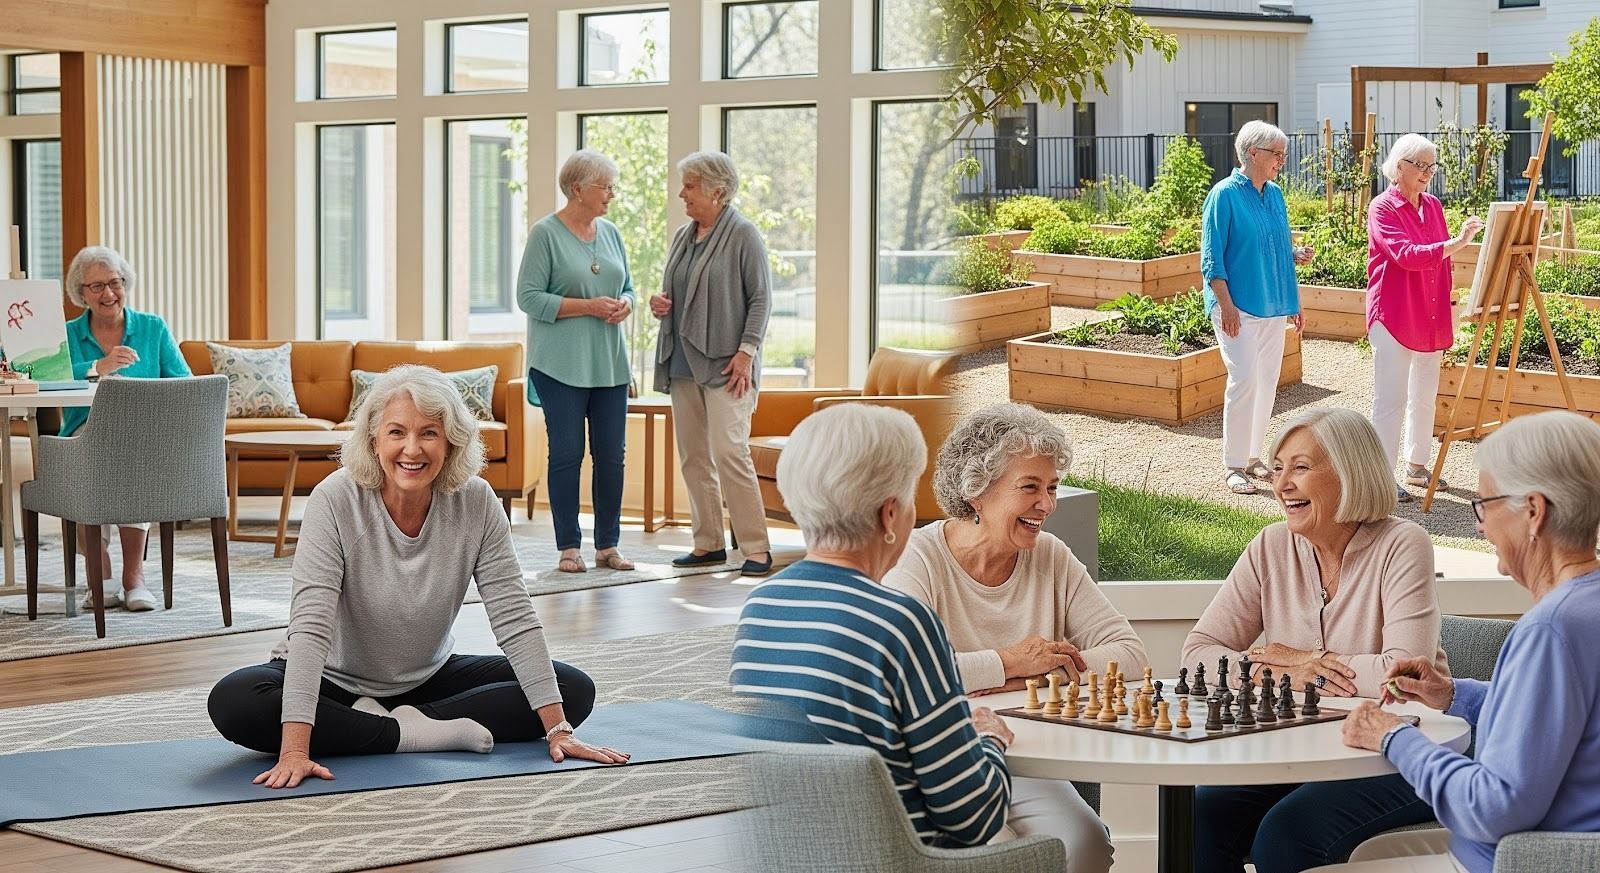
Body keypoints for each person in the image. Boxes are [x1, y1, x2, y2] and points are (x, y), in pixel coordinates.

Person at [208, 365, 627, 788]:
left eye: (429, 433)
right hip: (332, 680)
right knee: (236, 702)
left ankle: (391, 724)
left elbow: (514, 617)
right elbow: (311, 627)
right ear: (374, 440)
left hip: (428, 679)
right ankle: (411, 734)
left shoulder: (477, 501)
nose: (413, 449)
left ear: (451, 441)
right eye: (397, 433)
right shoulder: (335, 499)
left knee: (573, 690)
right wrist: (295, 750)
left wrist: (559, 729)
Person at [732, 404, 1038, 854]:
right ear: (890, 516)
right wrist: (989, 737)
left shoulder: (760, 606)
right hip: (902, 861)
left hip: (791, 854)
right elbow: (974, 819)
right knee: (1071, 842)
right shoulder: (902, 624)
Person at [1320, 411, 1600, 873]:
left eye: (1485, 505)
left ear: (1534, 511)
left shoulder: (1551, 630)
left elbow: (1492, 807)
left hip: (1512, 862)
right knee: (1366, 854)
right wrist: (1454, 695)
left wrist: (1393, 737)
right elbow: (1559, 722)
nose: (1479, 526)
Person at [1183, 407, 1449, 873]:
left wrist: (1305, 660)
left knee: (1286, 837)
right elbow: (1199, 653)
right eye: (1278, 467)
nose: (1281, 482)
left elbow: (1404, 671)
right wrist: (1284, 667)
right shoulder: (1269, 546)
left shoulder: (1403, 543)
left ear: (1351, 473)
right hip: (1300, 752)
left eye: (1300, 468)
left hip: (1398, 753)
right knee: (1198, 821)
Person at [880, 402, 1138, 871]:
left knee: (1083, 843)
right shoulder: (917, 559)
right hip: (940, 760)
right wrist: (1009, 662)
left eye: (1052, 487)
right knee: (996, 854)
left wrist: (1031, 683)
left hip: (1029, 756)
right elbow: (902, 675)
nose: (1047, 504)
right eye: (1030, 487)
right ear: (977, 492)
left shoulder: (1051, 557)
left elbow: (1129, 654)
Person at [649, 151, 773, 577]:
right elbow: (679, 293)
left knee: (729, 452)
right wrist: (662, 303)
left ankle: (756, 547)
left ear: (717, 192)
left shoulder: (743, 235)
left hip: (727, 366)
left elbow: (761, 299)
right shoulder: (685, 236)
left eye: (690, 185)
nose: (682, 193)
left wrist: (746, 352)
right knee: (693, 457)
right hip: (682, 362)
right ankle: (708, 543)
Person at [517, 149, 636, 574]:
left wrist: (625, 303)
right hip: (560, 365)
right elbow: (528, 298)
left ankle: (608, 546)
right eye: (606, 186)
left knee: (612, 456)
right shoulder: (545, 234)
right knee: (567, 453)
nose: (612, 194)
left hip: (609, 365)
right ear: (577, 189)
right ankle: (569, 546)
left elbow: (630, 287)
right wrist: (587, 306)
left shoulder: (612, 233)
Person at [60, 245, 192, 613]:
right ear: (80, 293)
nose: (108, 293)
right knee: (88, 461)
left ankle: (133, 576)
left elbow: (184, 381)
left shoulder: (152, 328)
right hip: (83, 431)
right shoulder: (66, 335)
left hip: (141, 433)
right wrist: (96, 367)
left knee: (129, 455)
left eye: (115, 283)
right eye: (97, 286)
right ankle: (99, 572)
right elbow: (46, 375)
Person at [1366, 134, 1484, 502]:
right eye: (1420, 165)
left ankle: (1416, 465)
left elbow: (1438, 262)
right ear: (1398, 166)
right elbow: (1406, 254)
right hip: (1394, 312)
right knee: (1391, 399)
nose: (1427, 173)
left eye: (1432, 166)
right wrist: (1456, 243)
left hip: (1429, 312)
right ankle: (1381, 478)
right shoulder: (1382, 207)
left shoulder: (1432, 205)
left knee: (1425, 396)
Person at [1201, 120, 1315, 496]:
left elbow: (1278, 246)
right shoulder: (1224, 195)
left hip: (1272, 304)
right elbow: (1212, 258)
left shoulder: (1276, 195)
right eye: (1276, 154)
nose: (1282, 160)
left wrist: (1293, 295)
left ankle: (1252, 457)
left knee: (1266, 383)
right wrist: (1226, 305)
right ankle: (1233, 465)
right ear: (1253, 153)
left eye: (1283, 154)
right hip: (1237, 306)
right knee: (1244, 379)